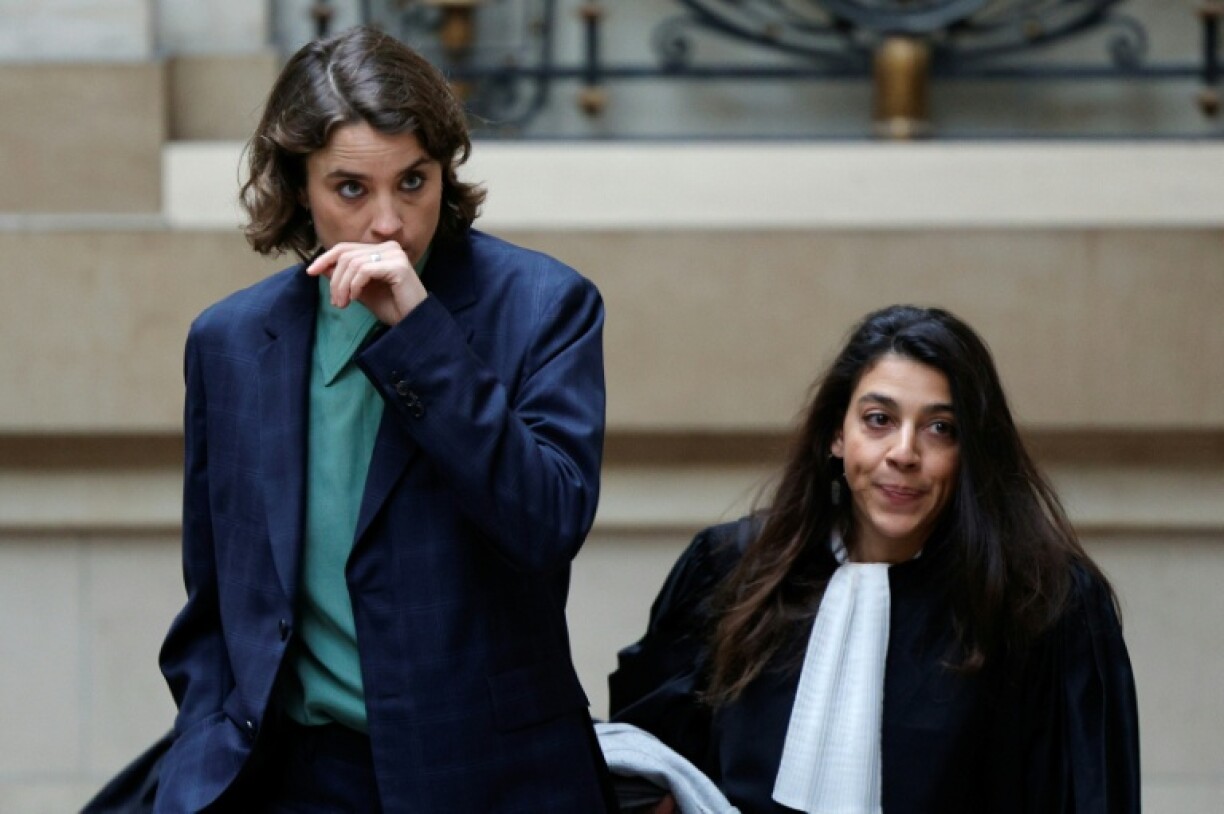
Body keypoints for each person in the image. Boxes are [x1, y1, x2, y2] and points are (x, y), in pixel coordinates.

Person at [150, 25, 613, 813]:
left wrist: (422, 334)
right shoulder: (229, 343)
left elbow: (546, 523)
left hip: (490, 781)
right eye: (351, 190)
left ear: (445, 173)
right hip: (297, 778)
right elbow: (218, 597)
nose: (389, 223)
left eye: (413, 182)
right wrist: (202, 754)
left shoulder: (544, 306)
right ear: (300, 187)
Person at [609, 305, 1140, 814]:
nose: (904, 452)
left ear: (972, 451)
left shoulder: (1042, 605)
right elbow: (645, 772)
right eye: (879, 419)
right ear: (837, 435)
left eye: (940, 428)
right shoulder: (730, 571)